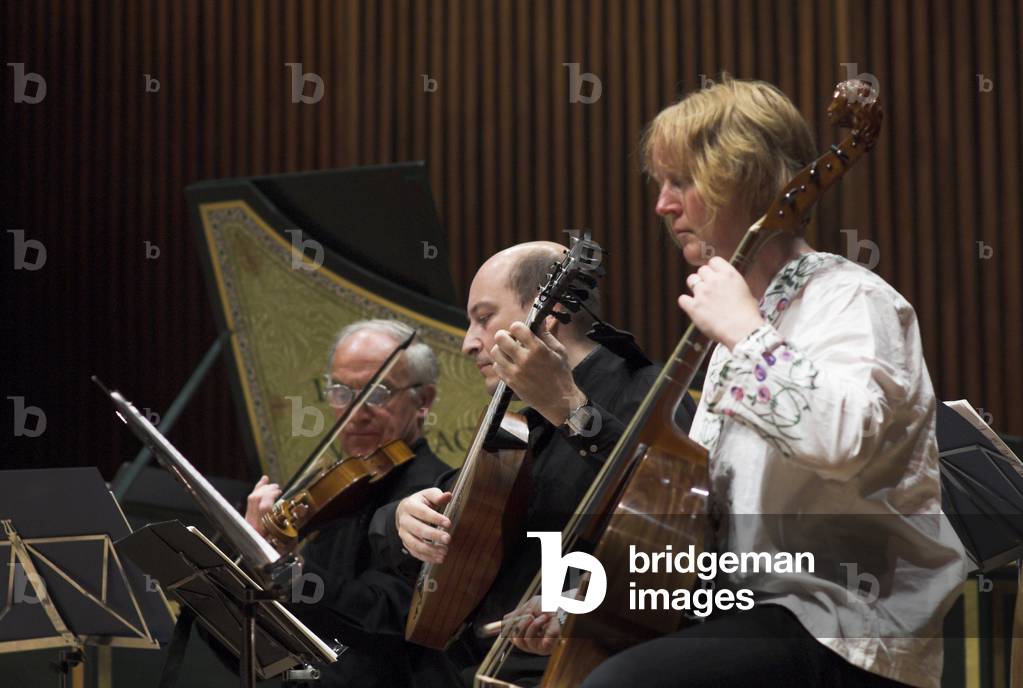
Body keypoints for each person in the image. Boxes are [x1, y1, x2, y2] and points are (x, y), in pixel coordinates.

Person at [558, 78, 964, 687]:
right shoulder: (744, 320)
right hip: (746, 612)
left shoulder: (851, 299)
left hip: (844, 627)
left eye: (681, 182)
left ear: (740, 176)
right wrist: (593, 595)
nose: (662, 205)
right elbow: (702, 518)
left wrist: (748, 337)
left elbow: (845, 441)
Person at [370, 241, 697, 685]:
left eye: (484, 319)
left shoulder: (652, 394)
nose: (469, 343)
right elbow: (438, 520)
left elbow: (676, 520)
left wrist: (572, 412)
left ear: (550, 311)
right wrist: (401, 521)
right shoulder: (518, 428)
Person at [242, 319, 453, 688]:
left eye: (377, 393)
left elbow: (387, 619)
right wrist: (250, 561)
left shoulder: (436, 492)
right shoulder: (337, 490)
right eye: (341, 391)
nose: (356, 411)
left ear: (424, 401)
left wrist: (293, 574)